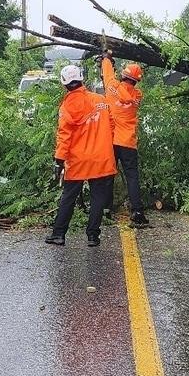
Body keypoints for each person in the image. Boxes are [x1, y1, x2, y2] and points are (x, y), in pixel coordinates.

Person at [46, 63, 117, 247]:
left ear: (64, 84)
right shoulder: (101, 100)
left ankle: (59, 234)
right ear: (81, 78)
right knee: (98, 198)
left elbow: (64, 136)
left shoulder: (67, 106)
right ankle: (93, 236)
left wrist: (59, 160)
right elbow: (111, 126)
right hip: (102, 157)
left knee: (69, 196)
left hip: (78, 160)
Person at [101, 52, 151, 228]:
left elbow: (107, 75)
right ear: (136, 80)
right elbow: (125, 91)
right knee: (132, 177)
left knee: (108, 174)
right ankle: (137, 212)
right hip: (128, 141)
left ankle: (105, 209)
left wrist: (106, 58)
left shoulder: (113, 86)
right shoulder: (137, 96)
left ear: (123, 75)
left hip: (111, 140)